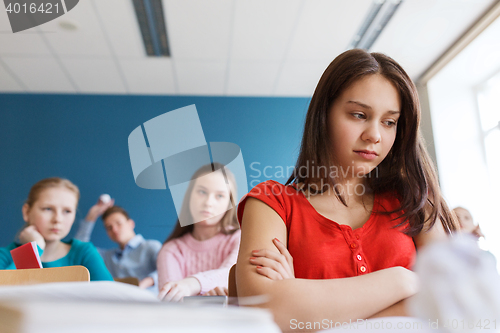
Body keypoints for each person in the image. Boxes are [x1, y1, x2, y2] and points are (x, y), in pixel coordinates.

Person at [236, 49, 458, 331]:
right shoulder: (271, 203)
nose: (374, 135)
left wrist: (305, 307)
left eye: (389, 122)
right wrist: (403, 280)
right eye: (358, 115)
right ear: (323, 114)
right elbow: (265, 311)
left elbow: (450, 303)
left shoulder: (414, 199)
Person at [0, 177, 113, 281]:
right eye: (48, 209)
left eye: (67, 211)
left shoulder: (84, 253)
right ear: (26, 212)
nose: (58, 219)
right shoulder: (4, 256)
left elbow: (112, 298)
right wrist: (33, 250)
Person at [157, 163, 241, 301]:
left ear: (229, 203)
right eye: (202, 192)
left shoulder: (240, 238)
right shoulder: (171, 250)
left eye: (219, 196)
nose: (208, 202)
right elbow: (170, 300)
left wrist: (191, 285)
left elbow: (231, 275)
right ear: (189, 196)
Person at [75, 203, 162, 292]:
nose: (114, 229)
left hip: (149, 301)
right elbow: (79, 248)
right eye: (109, 227)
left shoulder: (150, 246)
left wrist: (144, 283)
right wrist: (91, 216)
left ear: (131, 223)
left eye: (118, 223)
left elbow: (168, 270)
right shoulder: (107, 256)